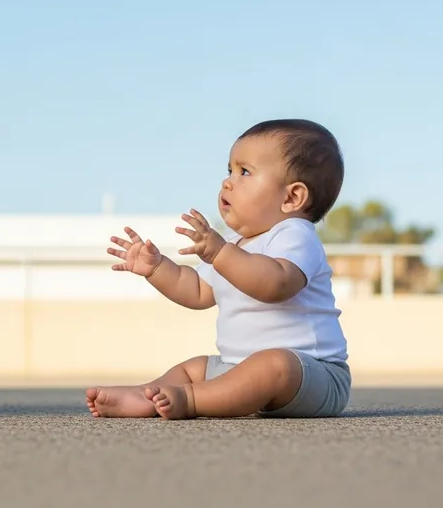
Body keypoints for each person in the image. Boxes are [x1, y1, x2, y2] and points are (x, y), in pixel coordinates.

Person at [86, 118, 351, 420]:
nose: (228, 182)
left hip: (311, 374)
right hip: (237, 367)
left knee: (273, 365)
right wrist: (157, 268)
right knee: (194, 368)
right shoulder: (234, 244)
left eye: (245, 172)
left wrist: (220, 253)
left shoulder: (295, 234)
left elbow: (276, 284)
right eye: (230, 170)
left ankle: (191, 400)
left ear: (292, 197)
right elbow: (197, 290)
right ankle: (147, 395)